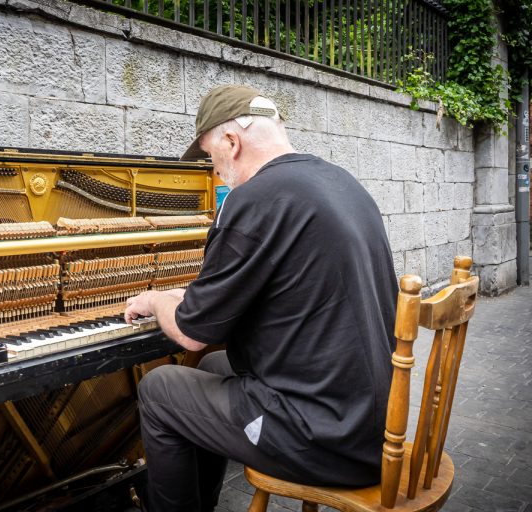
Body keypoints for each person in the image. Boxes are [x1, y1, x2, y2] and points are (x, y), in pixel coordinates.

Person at [124, 85, 398, 512]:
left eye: (211, 158)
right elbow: (283, 287)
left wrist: (159, 300)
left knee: (161, 389)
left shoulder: (254, 199)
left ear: (232, 143)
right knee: (216, 366)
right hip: (372, 425)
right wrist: (191, 295)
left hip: (323, 440)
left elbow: (192, 334)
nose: (215, 172)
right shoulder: (339, 182)